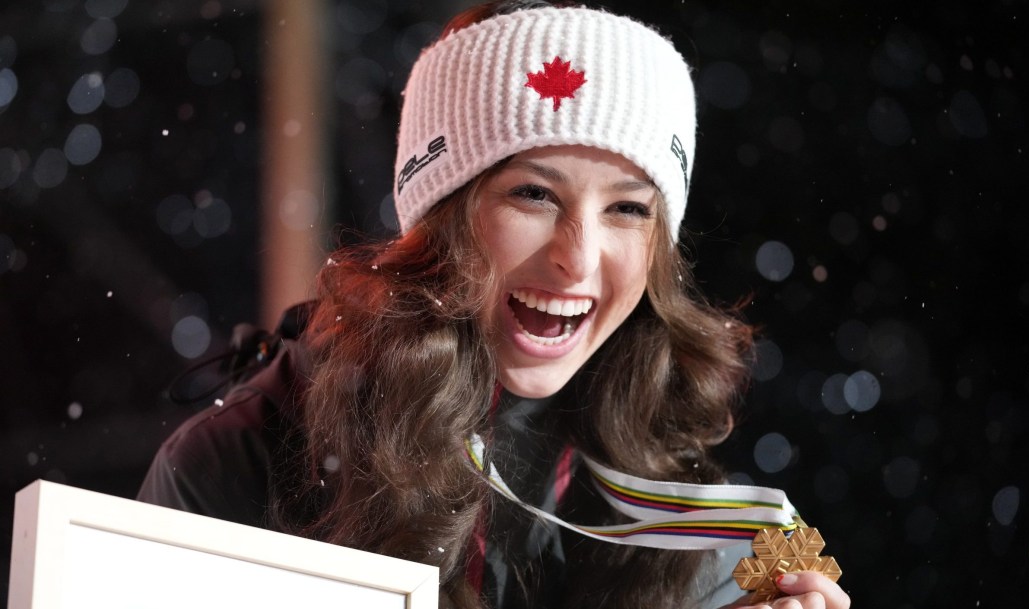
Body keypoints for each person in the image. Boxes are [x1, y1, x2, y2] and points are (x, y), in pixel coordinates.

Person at [138, 2, 851, 608]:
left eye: (629, 208)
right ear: (438, 215)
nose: (578, 255)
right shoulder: (244, 464)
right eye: (534, 194)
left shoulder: (684, 522)